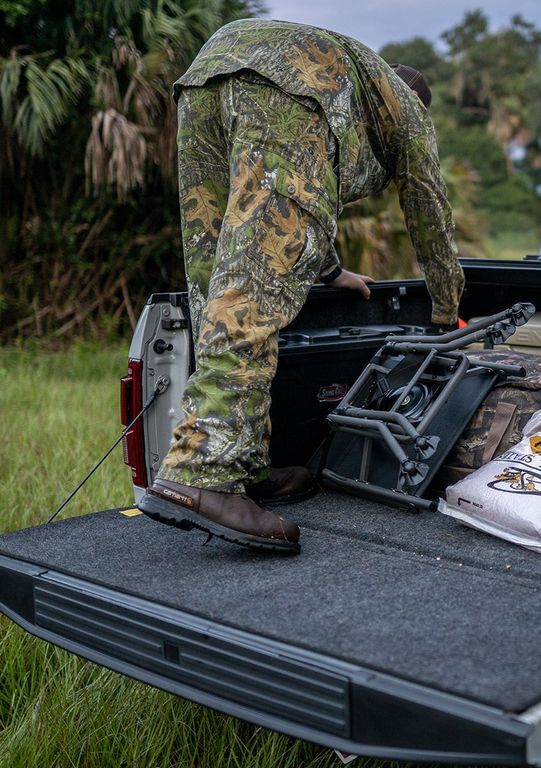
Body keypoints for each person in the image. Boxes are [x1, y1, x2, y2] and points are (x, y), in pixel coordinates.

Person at [137, 19, 464, 554]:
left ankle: (243, 464)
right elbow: (430, 210)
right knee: (247, 303)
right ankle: (203, 473)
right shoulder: (406, 112)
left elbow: (292, 193)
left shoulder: (358, 91)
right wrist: (448, 309)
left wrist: (331, 272)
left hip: (210, 70)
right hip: (286, 80)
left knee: (213, 289)